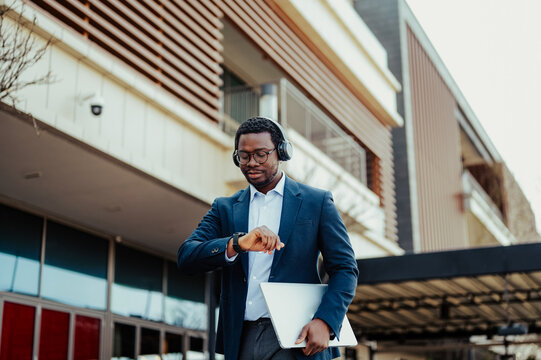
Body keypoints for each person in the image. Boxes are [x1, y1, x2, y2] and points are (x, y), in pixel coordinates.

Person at [177, 116, 358, 360]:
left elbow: (345, 268)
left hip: (296, 336)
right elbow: (187, 256)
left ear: (282, 152)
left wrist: (326, 320)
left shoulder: (317, 202)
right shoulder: (225, 207)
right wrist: (237, 244)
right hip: (241, 337)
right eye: (244, 156)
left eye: (261, 154)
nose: (251, 162)